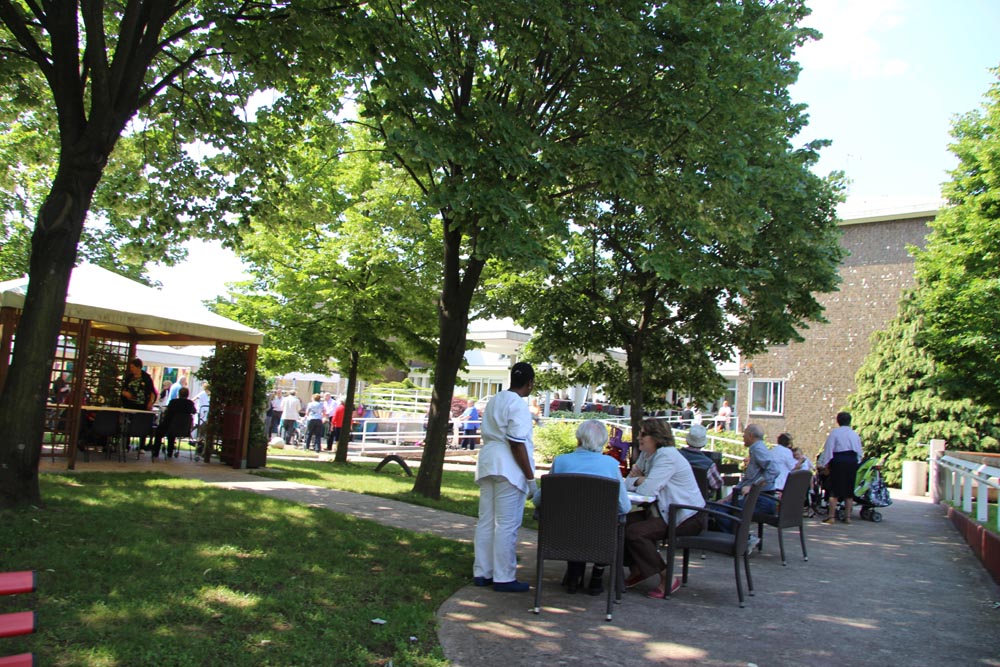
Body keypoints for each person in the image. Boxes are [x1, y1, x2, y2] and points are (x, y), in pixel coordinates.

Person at [532, 420, 630, 595]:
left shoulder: (561, 462)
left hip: (561, 535)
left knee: (575, 521)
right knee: (606, 524)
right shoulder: (610, 465)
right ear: (604, 442)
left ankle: (574, 575)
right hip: (599, 537)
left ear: (578, 439)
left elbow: (539, 500)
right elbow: (624, 506)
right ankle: (597, 576)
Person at [623, 418, 706, 599]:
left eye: (643, 434)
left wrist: (641, 479)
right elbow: (627, 483)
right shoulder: (647, 454)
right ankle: (637, 569)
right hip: (663, 511)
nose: (638, 437)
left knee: (635, 533)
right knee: (619, 523)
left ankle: (667, 577)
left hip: (686, 516)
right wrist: (643, 480)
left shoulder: (666, 456)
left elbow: (646, 490)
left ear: (656, 437)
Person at [473, 362, 537, 593]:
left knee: (486, 520)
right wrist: (530, 479)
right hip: (508, 468)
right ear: (530, 383)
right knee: (506, 524)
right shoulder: (518, 404)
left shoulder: (495, 399)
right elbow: (517, 443)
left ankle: (482, 571)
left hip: (488, 463)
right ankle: (504, 576)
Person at [819, 412, 864, 524]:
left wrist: (826, 464)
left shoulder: (835, 433)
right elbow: (859, 451)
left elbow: (829, 449)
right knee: (849, 490)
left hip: (838, 460)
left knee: (834, 490)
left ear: (838, 421)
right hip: (851, 461)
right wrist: (857, 462)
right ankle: (848, 517)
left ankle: (831, 517)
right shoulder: (854, 434)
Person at [151, 386, 197, 460]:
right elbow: (194, 411)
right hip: (184, 429)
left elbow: (167, 413)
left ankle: (156, 452)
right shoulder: (190, 404)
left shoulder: (173, 402)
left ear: (179, 394)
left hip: (171, 427)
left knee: (159, 432)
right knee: (172, 430)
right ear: (187, 395)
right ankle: (170, 452)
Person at [121, 357, 156, 454]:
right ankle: (126, 445)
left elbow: (152, 391)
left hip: (142, 405)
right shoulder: (129, 377)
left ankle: (141, 446)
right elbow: (123, 389)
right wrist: (125, 393)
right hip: (130, 404)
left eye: (133, 367)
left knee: (142, 424)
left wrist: (150, 402)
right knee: (128, 423)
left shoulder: (146, 378)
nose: (131, 369)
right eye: (131, 367)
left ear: (139, 367)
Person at [677, 424, 723, 495]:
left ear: (687, 440)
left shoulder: (675, 456)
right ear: (703, 444)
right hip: (698, 499)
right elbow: (717, 484)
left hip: (676, 496)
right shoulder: (708, 464)